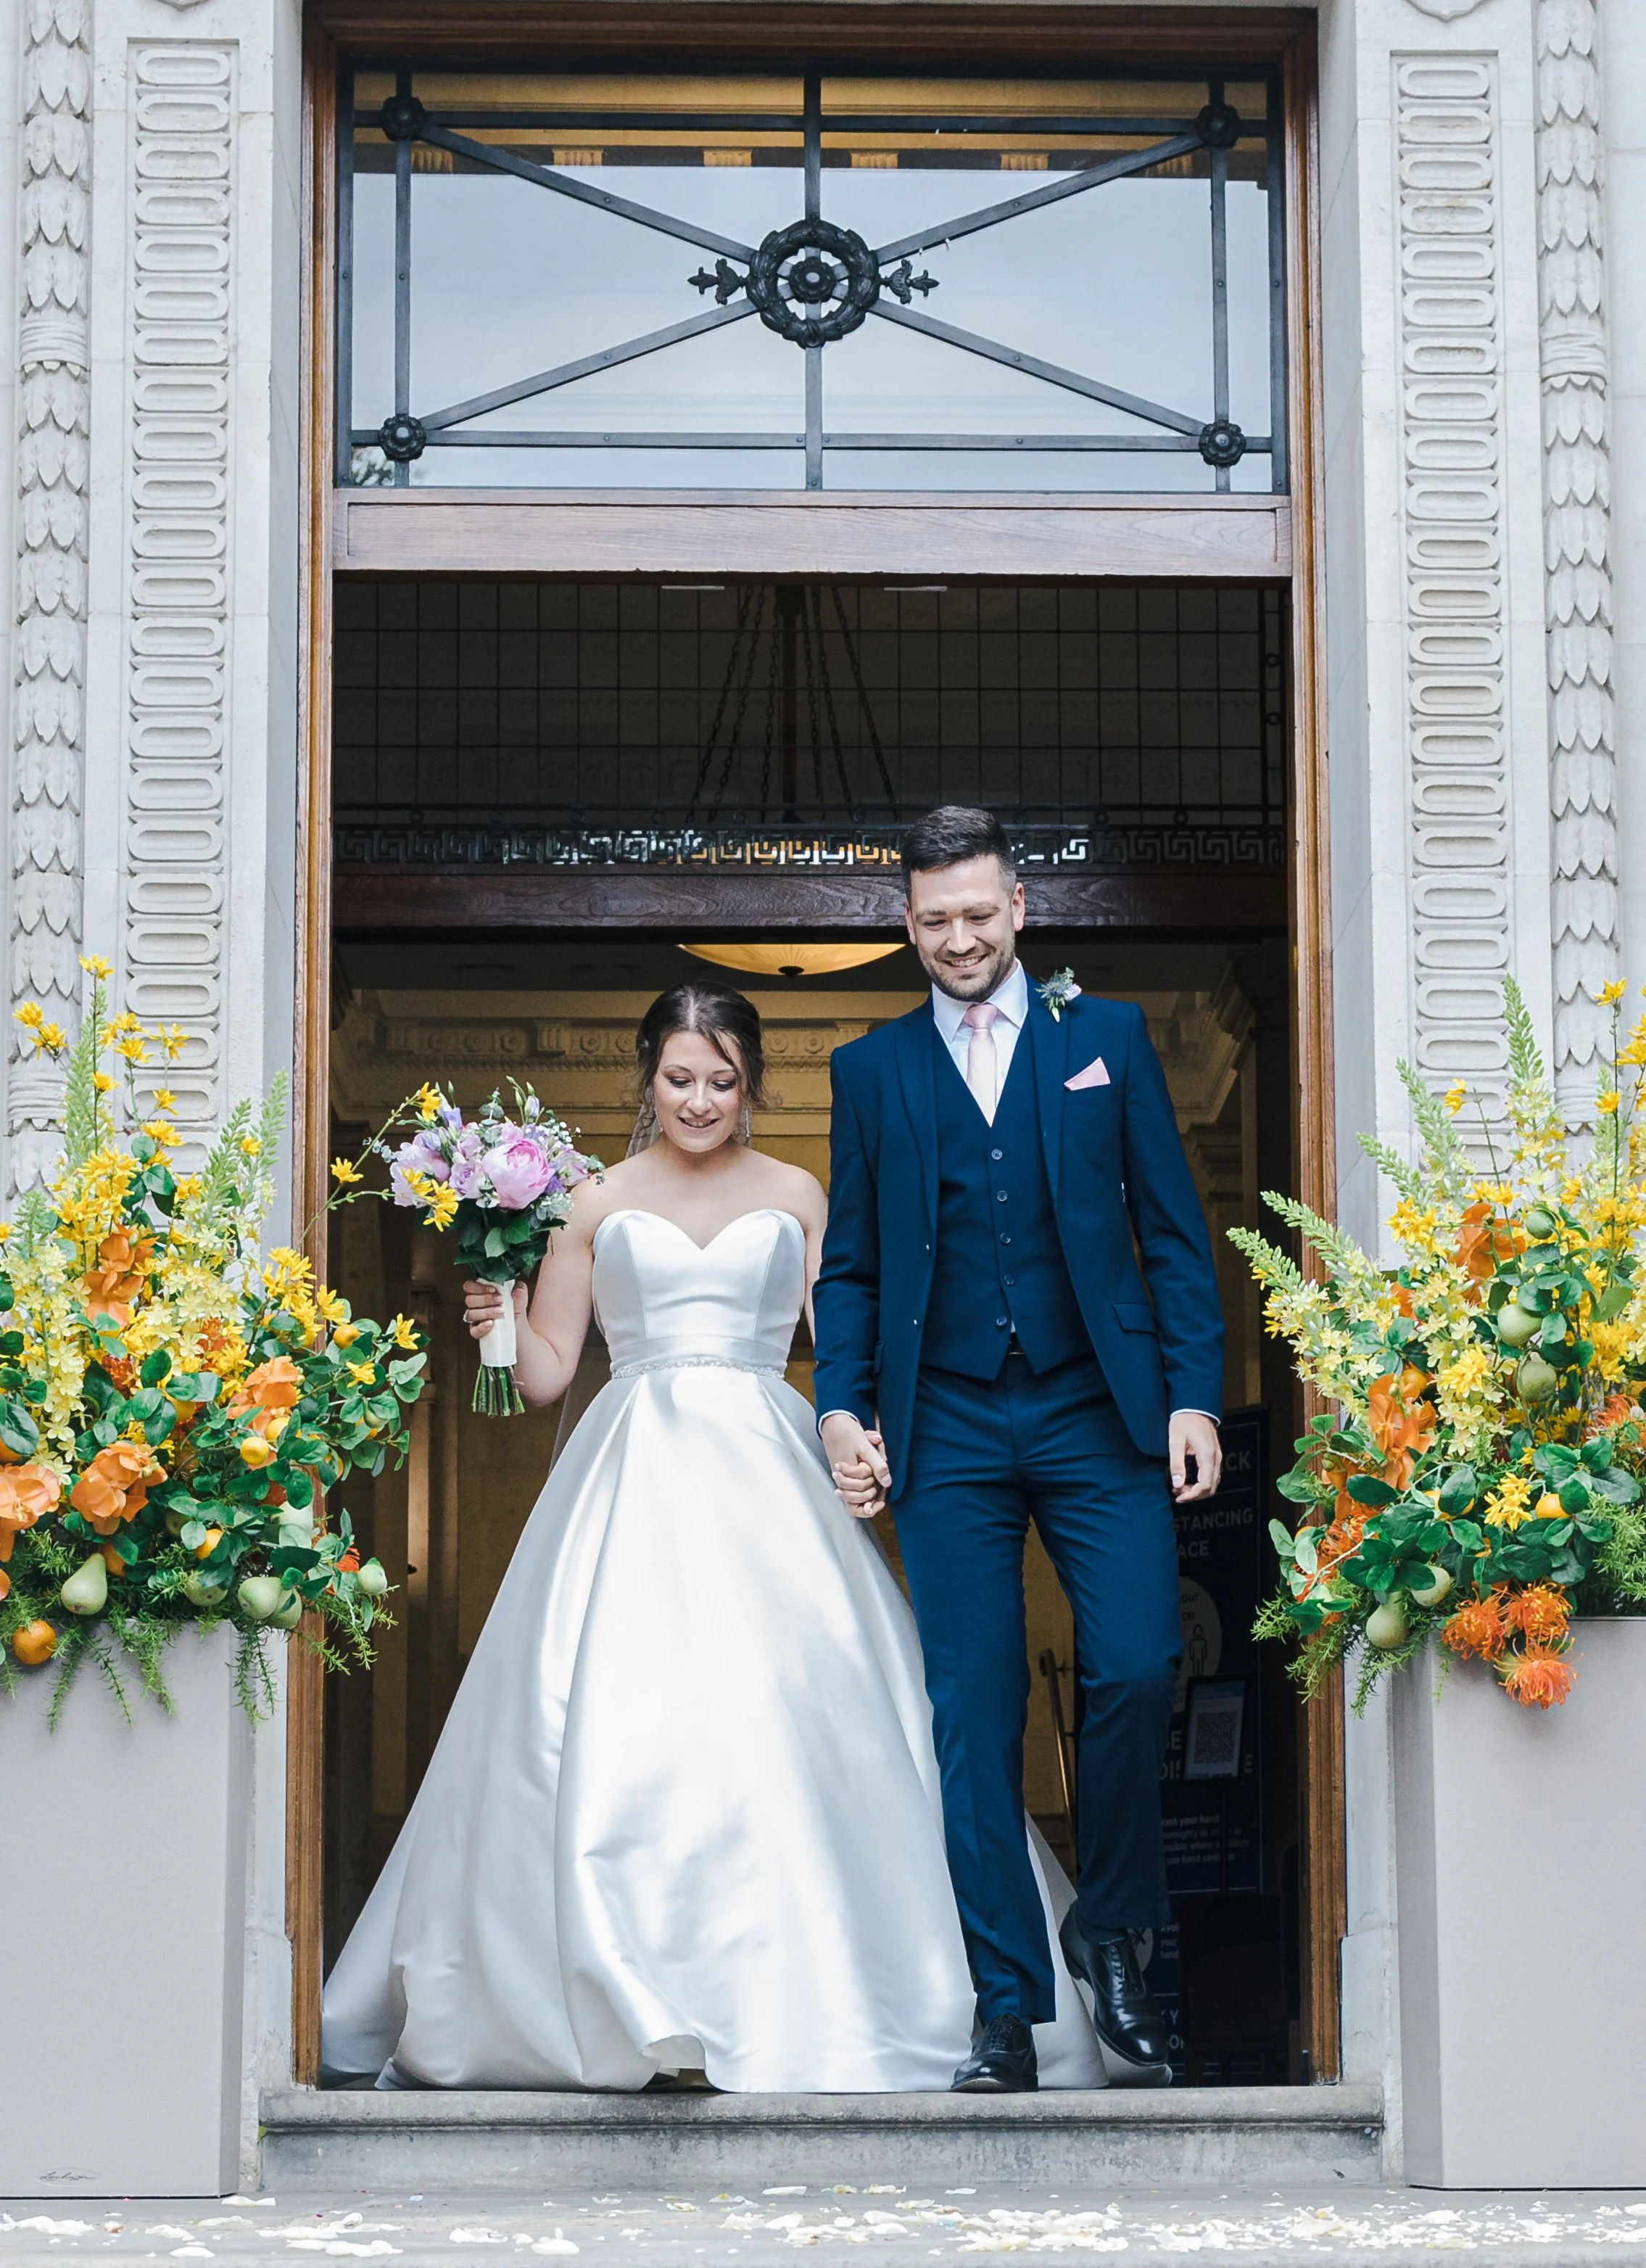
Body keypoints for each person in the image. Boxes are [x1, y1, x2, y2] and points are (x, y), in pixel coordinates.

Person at [320, 980, 1103, 2092]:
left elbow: (848, 1351)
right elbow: (548, 1374)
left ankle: (859, 1992)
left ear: (751, 1084)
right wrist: (495, 1318)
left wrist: (863, 1440)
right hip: (630, 1463)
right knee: (621, 1715)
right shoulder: (590, 1200)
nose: (699, 1100)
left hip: (767, 1460)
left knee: (797, 1703)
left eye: (722, 1081)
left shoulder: (798, 1191)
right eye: (680, 1078)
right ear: (649, 1076)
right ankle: (617, 1992)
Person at [814, 807, 1225, 2094]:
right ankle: (1005, 2004)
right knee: (973, 1715)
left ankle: (1109, 1926)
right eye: (933, 921)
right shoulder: (870, 1071)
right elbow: (855, 1269)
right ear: (905, 924)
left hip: (1098, 1412)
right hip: (947, 1425)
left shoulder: (1101, 1038)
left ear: (1019, 908)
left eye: (978, 915)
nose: (958, 939)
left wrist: (1194, 1397)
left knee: (1139, 1668)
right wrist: (841, 1407)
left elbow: (1170, 1230)